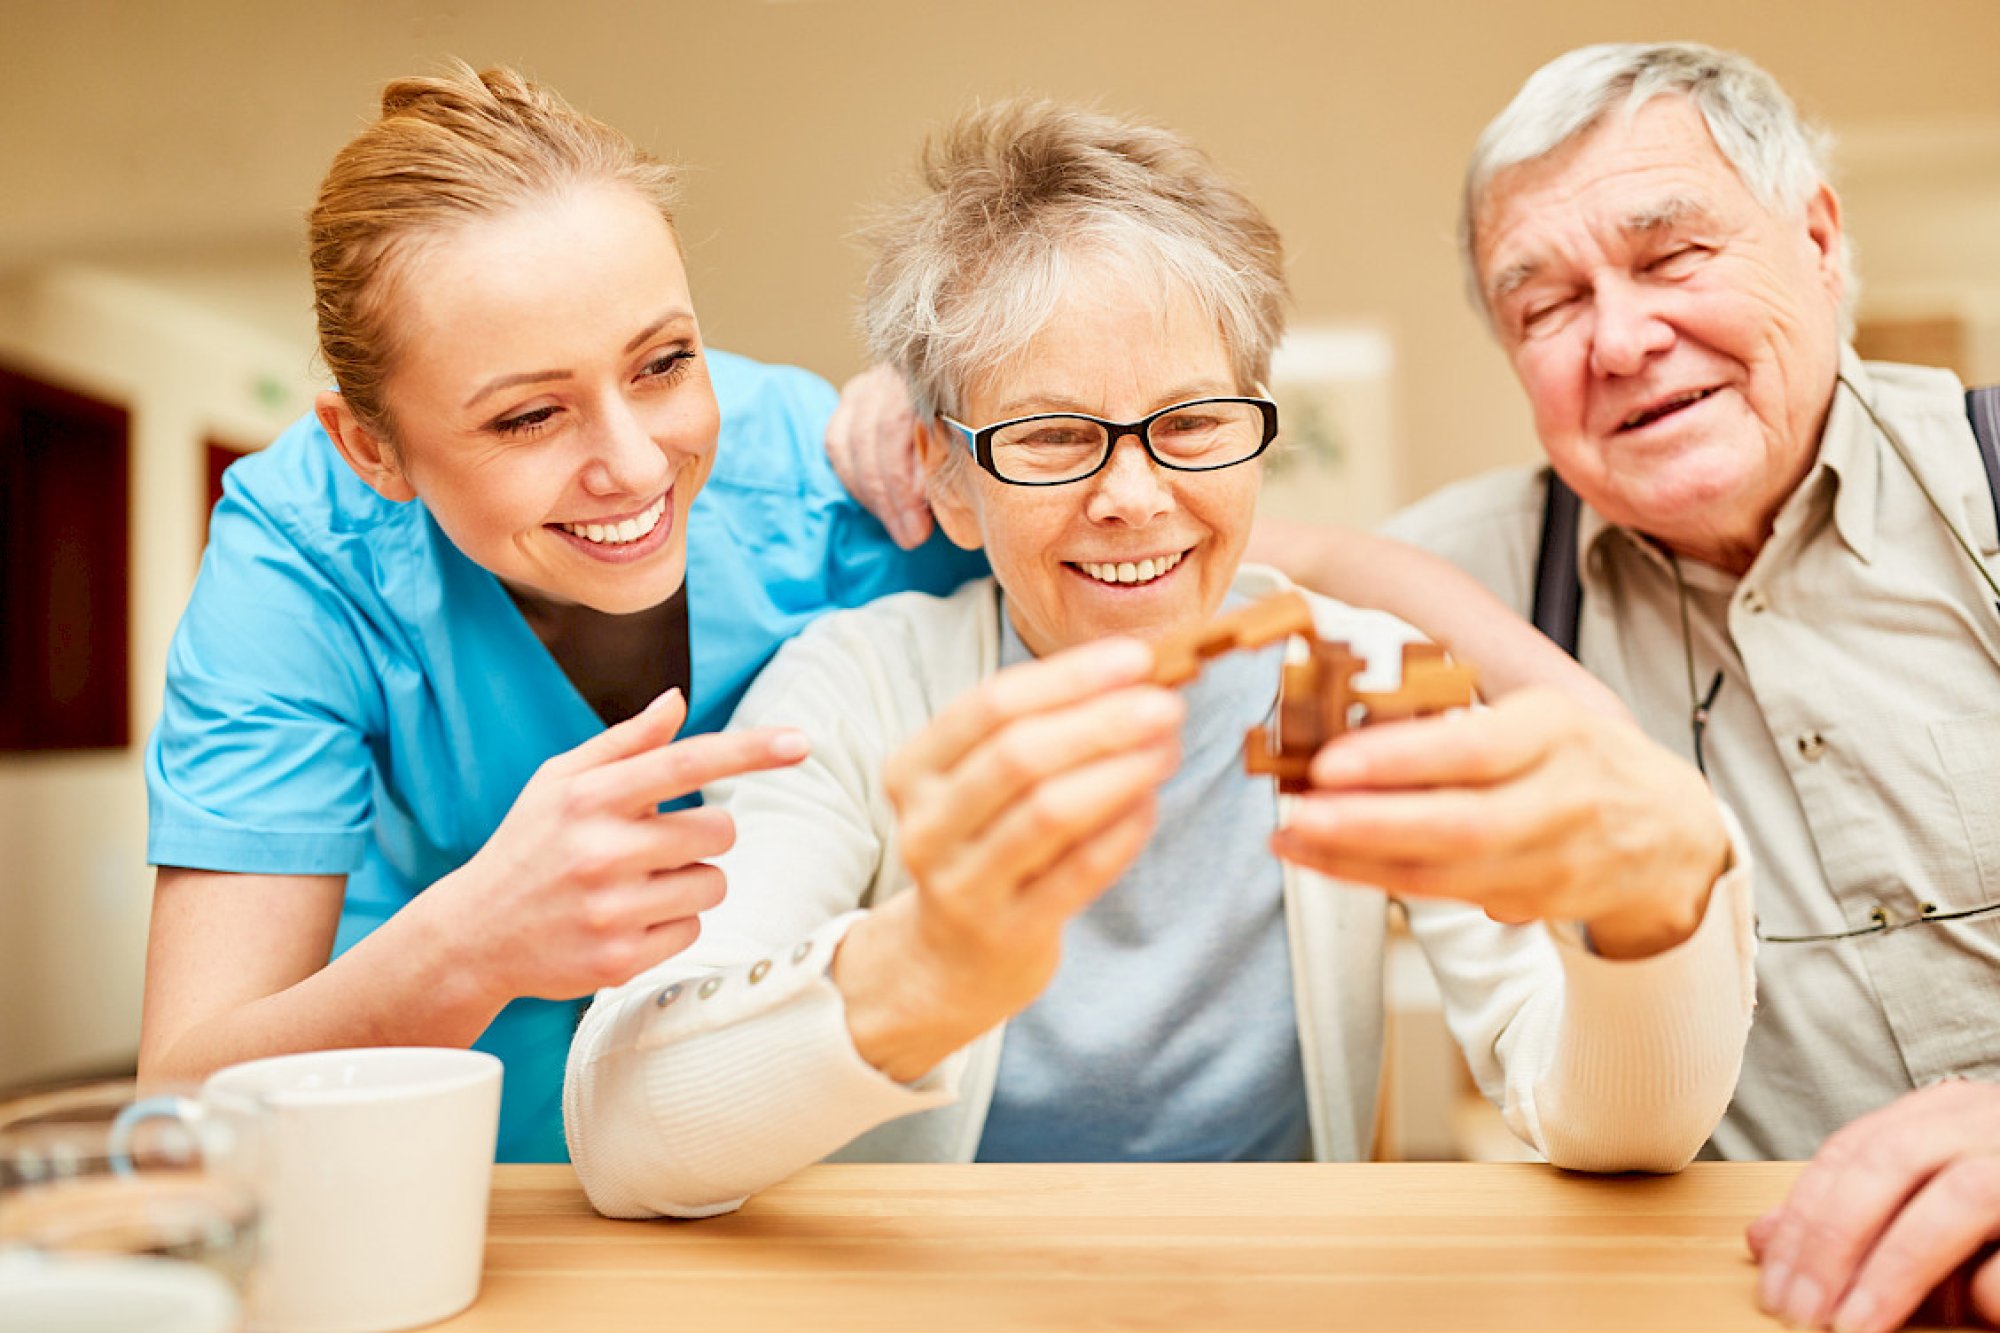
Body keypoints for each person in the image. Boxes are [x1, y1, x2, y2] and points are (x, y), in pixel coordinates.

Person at [563, 97, 1758, 1219]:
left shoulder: (1340, 685)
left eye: (1189, 424)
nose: (1133, 497)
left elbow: (1603, 1123)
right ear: (944, 476)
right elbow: (629, 1135)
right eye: (1051, 436)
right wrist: (929, 966)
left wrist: (1653, 926)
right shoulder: (865, 688)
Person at [139, 63, 981, 1163]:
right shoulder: (304, 560)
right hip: (438, 1176)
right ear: (369, 447)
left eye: (665, 361)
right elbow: (183, 1106)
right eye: (531, 416)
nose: (633, 466)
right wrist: (470, 943)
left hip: (775, 1179)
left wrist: (976, 425)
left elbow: (1199, 556)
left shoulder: (827, 483)